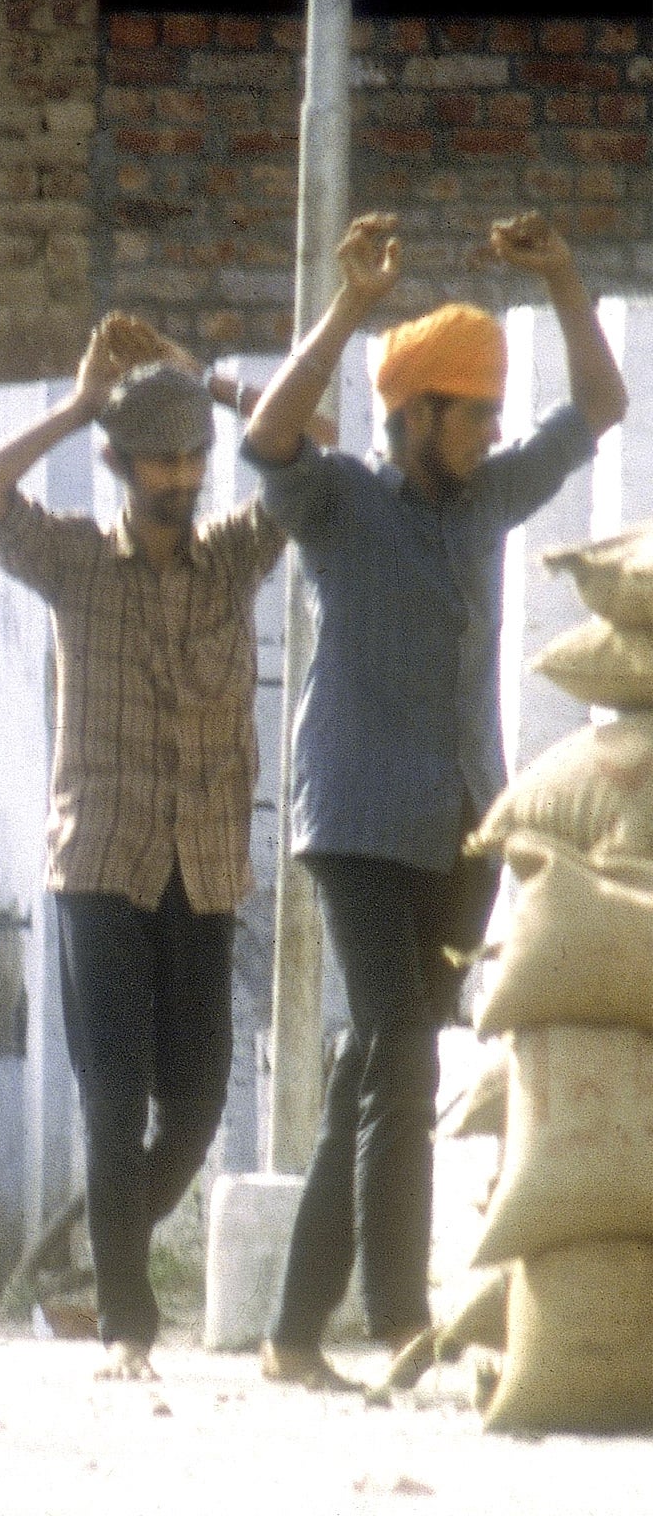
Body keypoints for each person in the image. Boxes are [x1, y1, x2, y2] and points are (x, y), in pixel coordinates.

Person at [244, 211, 629, 1389]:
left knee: (378, 1066)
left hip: (459, 819)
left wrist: (563, 276)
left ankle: (289, 1334)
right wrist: (351, 305)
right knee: (399, 1050)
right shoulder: (342, 505)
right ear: (412, 416)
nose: (491, 433)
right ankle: (398, 1311)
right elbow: (265, 441)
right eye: (471, 414)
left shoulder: (484, 499)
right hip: (355, 823)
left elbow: (599, 410)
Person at [0, 315, 286, 1381]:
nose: (182, 476)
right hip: (99, 865)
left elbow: (312, 454)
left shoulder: (233, 557)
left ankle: (102, 1257)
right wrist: (73, 398)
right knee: (112, 1099)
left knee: (192, 1106)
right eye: (161, 456)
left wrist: (215, 390)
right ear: (116, 462)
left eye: (194, 458)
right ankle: (125, 1325)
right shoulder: (71, 563)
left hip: (202, 867)